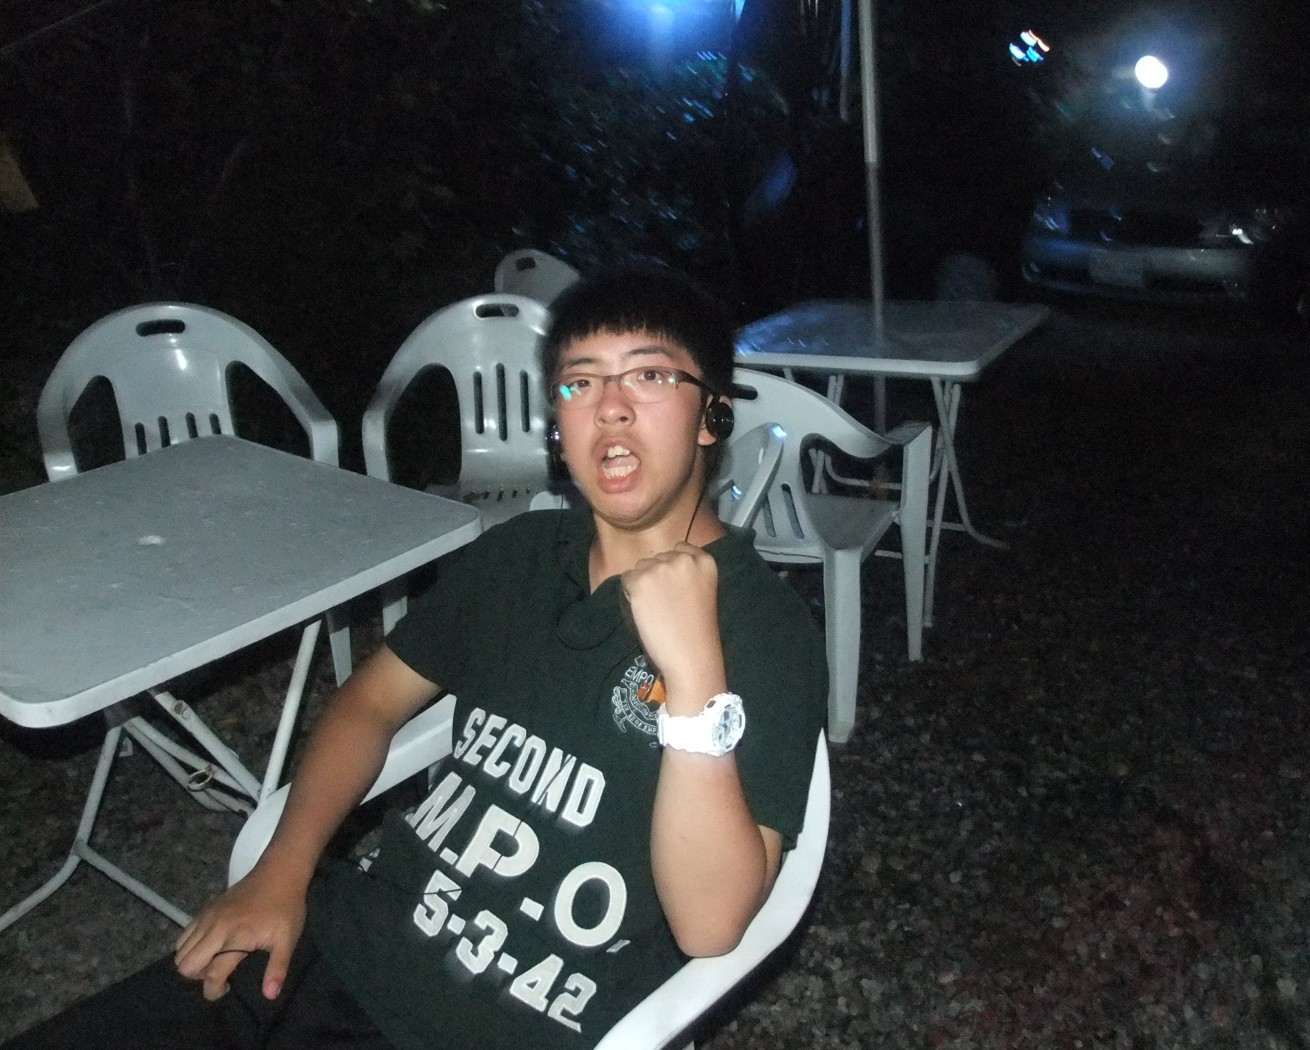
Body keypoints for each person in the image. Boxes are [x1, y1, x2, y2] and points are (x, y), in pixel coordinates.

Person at [5, 261, 827, 1050]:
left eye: (648, 376)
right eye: (579, 383)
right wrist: (284, 868)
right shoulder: (518, 555)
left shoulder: (766, 628)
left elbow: (710, 924)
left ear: (712, 415)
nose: (609, 408)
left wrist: (692, 680)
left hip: (502, 1025)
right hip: (338, 942)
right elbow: (371, 702)